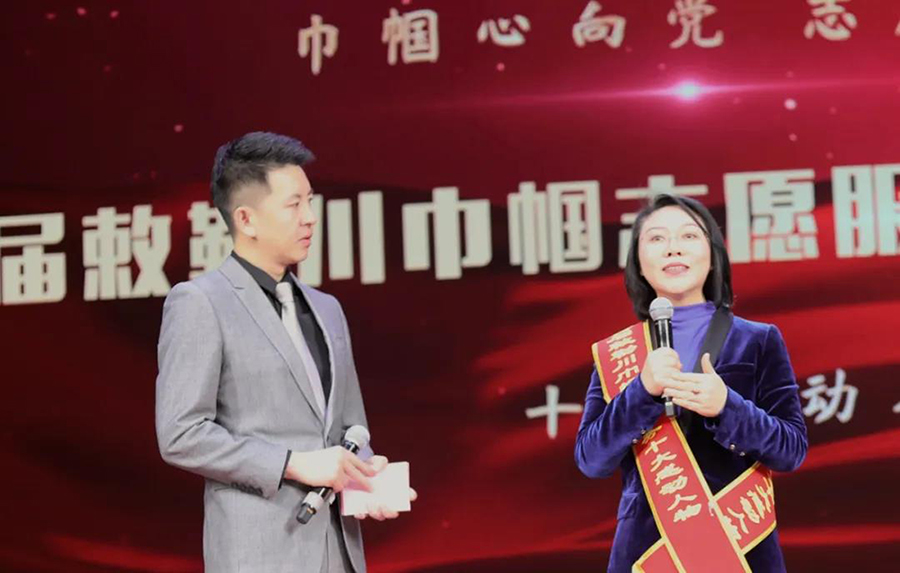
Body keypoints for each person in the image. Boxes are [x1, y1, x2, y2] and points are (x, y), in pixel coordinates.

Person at [156, 131, 413, 573]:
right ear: (246, 219)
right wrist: (294, 464)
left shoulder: (327, 309)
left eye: (309, 202)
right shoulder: (200, 303)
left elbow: (351, 427)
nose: (310, 218)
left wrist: (366, 480)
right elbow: (182, 434)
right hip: (261, 553)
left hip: (340, 552)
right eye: (293, 205)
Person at [575, 194, 807, 572]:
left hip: (740, 547)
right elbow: (591, 459)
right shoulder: (616, 353)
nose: (673, 248)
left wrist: (727, 407)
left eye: (688, 236)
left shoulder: (758, 339)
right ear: (639, 264)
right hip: (648, 555)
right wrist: (641, 391)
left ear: (712, 255)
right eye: (657, 238)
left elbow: (791, 449)